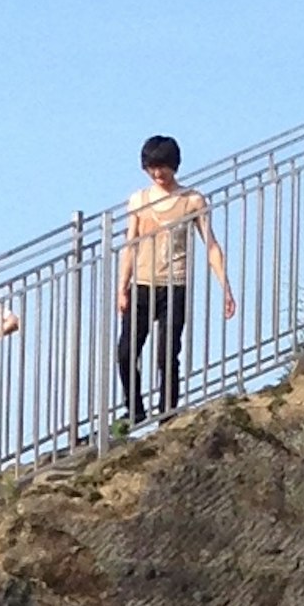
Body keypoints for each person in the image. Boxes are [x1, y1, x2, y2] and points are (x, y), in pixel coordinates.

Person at [114, 134, 232, 425]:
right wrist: (122, 287)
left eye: (163, 167)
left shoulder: (191, 199)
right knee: (126, 352)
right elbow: (130, 245)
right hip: (142, 283)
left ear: (174, 165)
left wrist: (226, 288)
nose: (158, 174)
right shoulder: (139, 200)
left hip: (174, 285)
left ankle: (167, 412)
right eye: (152, 168)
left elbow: (212, 245)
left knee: (167, 352)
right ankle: (135, 409)